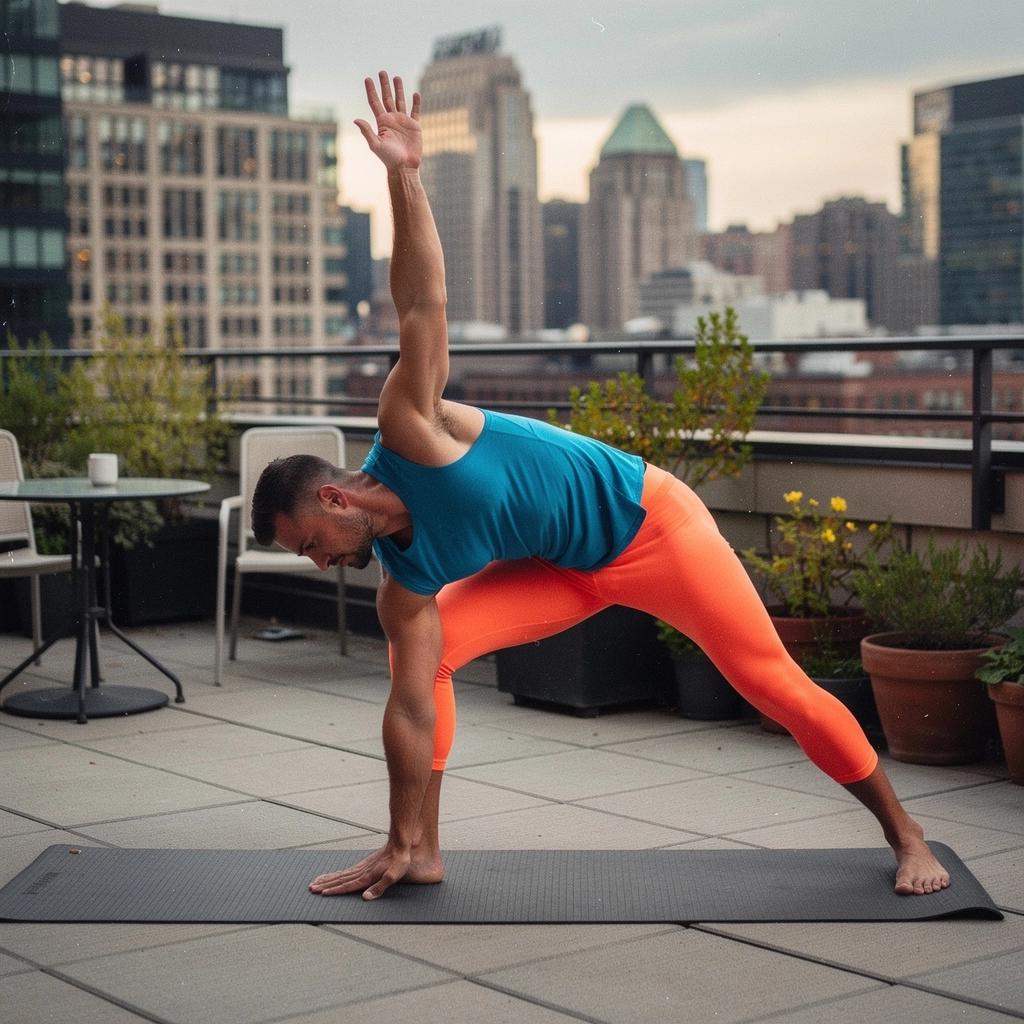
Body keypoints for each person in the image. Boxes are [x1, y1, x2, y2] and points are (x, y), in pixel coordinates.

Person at [252, 71, 950, 902]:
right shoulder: (404, 588)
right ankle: (420, 848)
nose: (319, 563)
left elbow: (420, 306)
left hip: (652, 526)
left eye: (310, 545)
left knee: (770, 682)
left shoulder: (410, 430)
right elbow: (407, 713)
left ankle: (906, 834)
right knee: (424, 665)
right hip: (565, 569)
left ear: (334, 499)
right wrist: (393, 836)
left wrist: (405, 175)